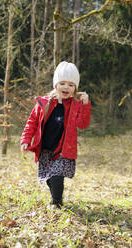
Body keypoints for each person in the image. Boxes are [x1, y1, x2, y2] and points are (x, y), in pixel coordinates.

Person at [20, 61, 91, 208]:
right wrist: (26, 140)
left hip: (63, 150)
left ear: (75, 88)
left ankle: (56, 203)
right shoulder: (44, 103)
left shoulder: (76, 106)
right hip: (45, 149)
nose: (66, 87)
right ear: (56, 85)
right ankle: (55, 197)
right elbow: (32, 122)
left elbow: (82, 124)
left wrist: (85, 105)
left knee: (57, 177)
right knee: (49, 178)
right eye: (63, 83)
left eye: (71, 85)